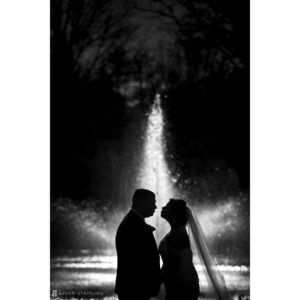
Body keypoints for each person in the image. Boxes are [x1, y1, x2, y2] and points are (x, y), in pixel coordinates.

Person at [159, 199, 230, 300]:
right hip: (180, 282)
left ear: (173, 214)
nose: (162, 208)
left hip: (181, 285)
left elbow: (174, 264)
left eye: (167, 206)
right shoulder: (176, 231)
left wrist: (157, 280)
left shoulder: (178, 234)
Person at [115, 189, 161, 300]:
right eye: (152, 203)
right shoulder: (132, 224)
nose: (155, 207)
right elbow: (138, 260)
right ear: (143, 203)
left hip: (134, 287)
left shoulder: (134, 221)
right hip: (135, 289)